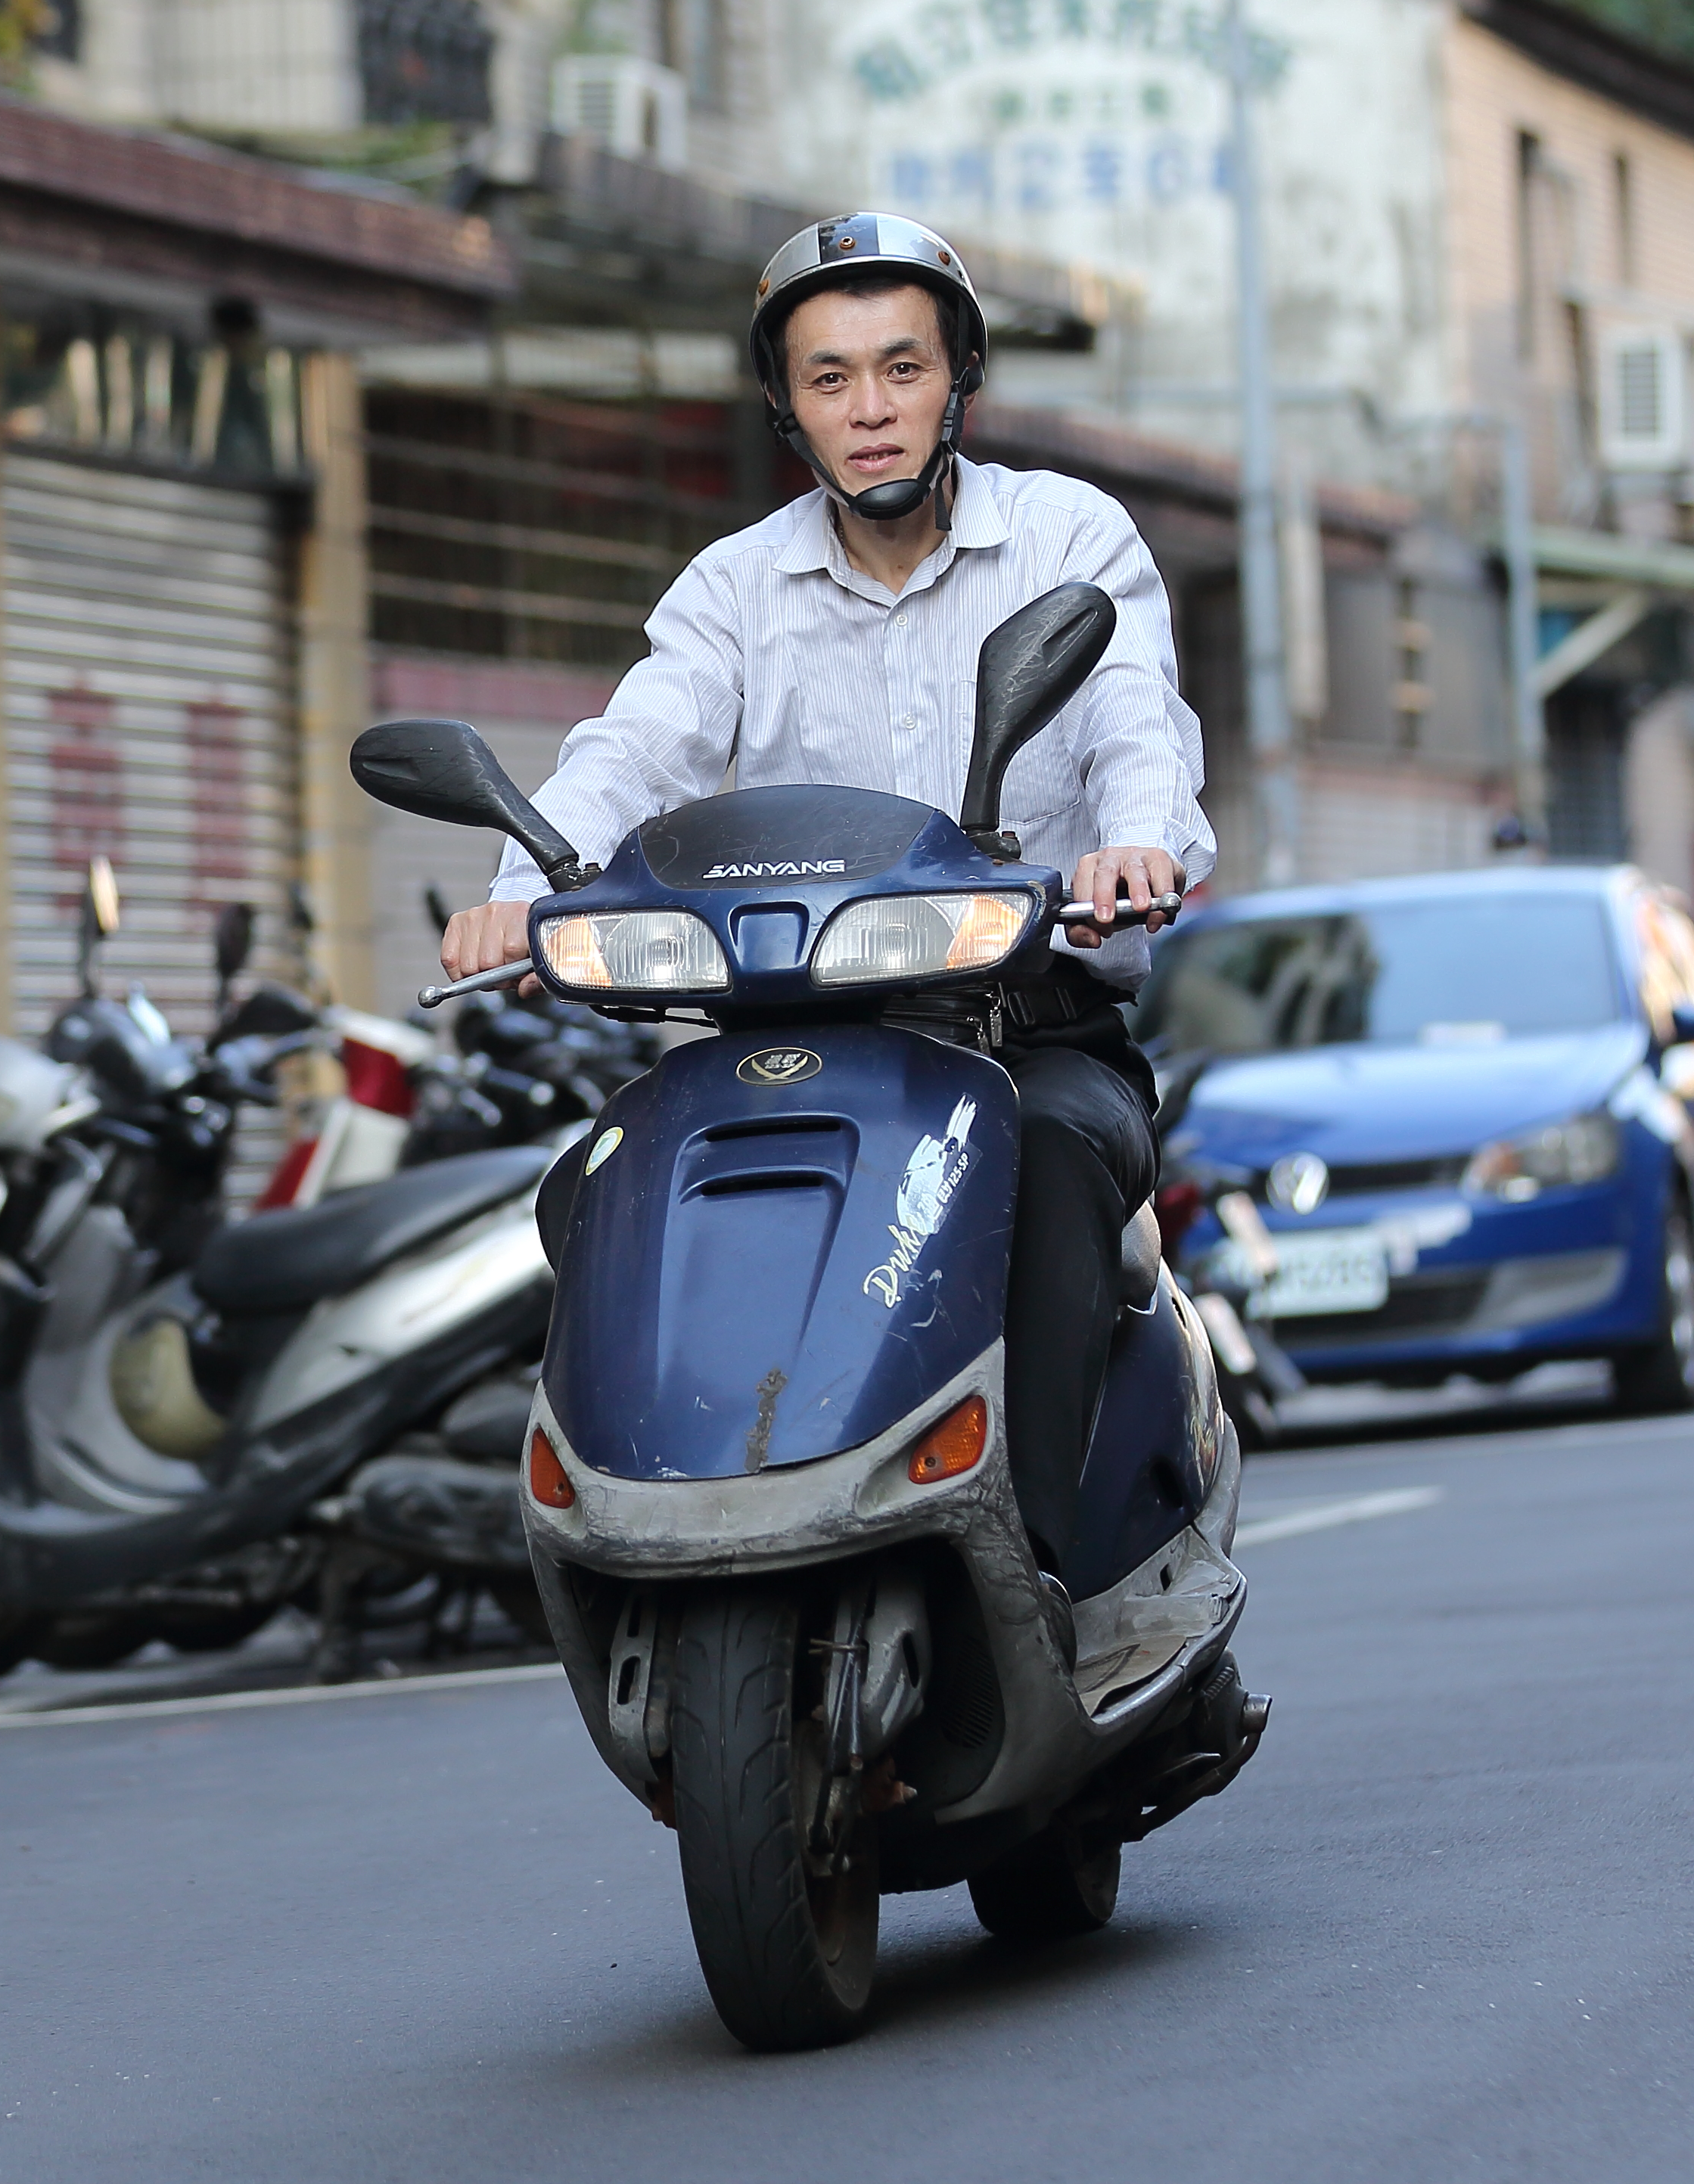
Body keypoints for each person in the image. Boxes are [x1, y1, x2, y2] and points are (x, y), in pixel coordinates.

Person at [438, 212, 1214, 1626]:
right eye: (831, 378)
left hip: (1022, 1035)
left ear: (957, 376)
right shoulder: (737, 586)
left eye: (901, 368)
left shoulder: (1066, 534)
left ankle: (1028, 1573)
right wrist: (514, 894)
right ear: (788, 407)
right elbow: (636, 745)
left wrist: (1135, 844)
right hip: (784, 1036)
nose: (870, 410)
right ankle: (653, 1534)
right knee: (602, 1177)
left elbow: (1130, 717)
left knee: (1043, 1159)